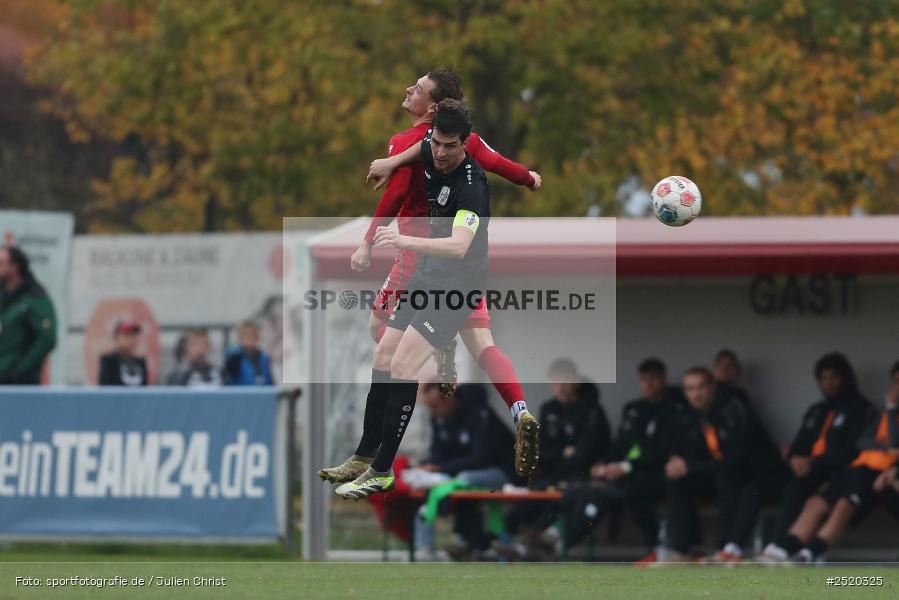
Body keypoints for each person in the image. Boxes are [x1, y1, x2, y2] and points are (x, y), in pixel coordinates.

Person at [321, 69, 540, 481]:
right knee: (483, 345)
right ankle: (519, 409)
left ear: (434, 108)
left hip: (422, 255)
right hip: (464, 268)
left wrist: (369, 241)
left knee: (380, 336)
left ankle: (374, 460)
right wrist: (528, 177)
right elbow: (496, 161)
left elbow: (397, 194)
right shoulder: (461, 140)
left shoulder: (412, 143)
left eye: (417, 89)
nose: (408, 90)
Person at [759, 363, 899, 563]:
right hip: (855, 469)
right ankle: (780, 552)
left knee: (843, 505)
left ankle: (808, 555)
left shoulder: (887, 410)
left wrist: (892, 412)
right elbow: (863, 441)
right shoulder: (884, 413)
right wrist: (886, 442)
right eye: (896, 381)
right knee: (815, 504)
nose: (897, 388)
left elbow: (894, 442)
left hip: (876, 476)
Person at [560, 358, 683, 564]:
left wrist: (625, 467)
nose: (648, 384)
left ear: (663, 380)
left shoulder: (674, 410)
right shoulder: (633, 409)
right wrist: (603, 463)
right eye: (644, 379)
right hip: (628, 474)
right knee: (589, 489)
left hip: (658, 475)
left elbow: (662, 451)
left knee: (627, 491)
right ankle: (560, 539)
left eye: (653, 378)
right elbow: (620, 445)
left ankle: (656, 548)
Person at [661, 367, 783, 564]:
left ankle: (727, 549)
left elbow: (736, 460)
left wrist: (690, 467)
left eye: (700, 387)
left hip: (758, 477)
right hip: (719, 476)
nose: (696, 394)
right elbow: (682, 454)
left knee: (731, 479)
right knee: (677, 479)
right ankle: (683, 549)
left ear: (712, 388)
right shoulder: (687, 416)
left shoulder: (734, 409)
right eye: (690, 389)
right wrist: (678, 466)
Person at [494, 358, 611, 561]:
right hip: (551, 474)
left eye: (566, 381)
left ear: (576, 381)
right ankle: (508, 545)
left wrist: (565, 455)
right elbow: (541, 450)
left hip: (580, 477)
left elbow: (585, 453)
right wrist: (562, 452)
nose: (562, 387)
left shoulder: (592, 411)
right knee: (526, 504)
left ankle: (535, 546)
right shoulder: (548, 409)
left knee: (561, 499)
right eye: (556, 382)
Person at [769, 353, 875, 543]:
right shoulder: (817, 410)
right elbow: (799, 443)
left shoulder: (861, 409)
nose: (829, 383)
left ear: (845, 377)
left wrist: (813, 462)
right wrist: (794, 459)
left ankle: (781, 546)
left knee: (798, 489)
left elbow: (853, 450)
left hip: (837, 473)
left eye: (834, 377)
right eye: (823, 379)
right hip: (807, 470)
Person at [414, 382, 516, 560]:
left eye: (434, 405)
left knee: (464, 477)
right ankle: (424, 548)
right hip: (462, 476)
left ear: (449, 398)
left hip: (502, 473)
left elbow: (480, 457)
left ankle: (466, 541)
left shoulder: (479, 414)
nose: (432, 411)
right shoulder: (439, 419)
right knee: (427, 482)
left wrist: (441, 468)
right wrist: (428, 466)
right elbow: (439, 454)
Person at [0, 246, 56, 384]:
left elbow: (47, 339)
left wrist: (18, 371)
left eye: (0, 263)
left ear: (14, 268)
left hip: (20, 384)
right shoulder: (3, 296)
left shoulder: (35, 298)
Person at [98, 320, 149, 386]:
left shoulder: (141, 362)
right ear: (116, 338)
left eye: (133, 335)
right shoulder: (108, 360)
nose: (131, 339)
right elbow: (105, 390)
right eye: (126, 335)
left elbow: (145, 390)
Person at [224, 320, 274, 385]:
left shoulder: (264, 358)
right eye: (246, 335)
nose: (250, 338)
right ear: (240, 337)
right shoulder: (234, 356)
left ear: (258, 337)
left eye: (253, 334)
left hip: (262, 393)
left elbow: (269, 381)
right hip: (240, 393)